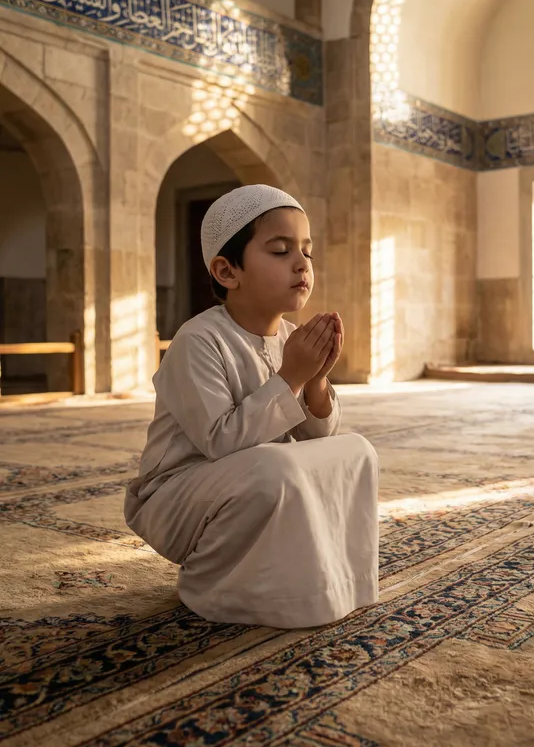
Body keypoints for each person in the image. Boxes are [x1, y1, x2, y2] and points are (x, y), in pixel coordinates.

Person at [124, 184, 379, 629]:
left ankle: (329, 585)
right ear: (227, 271)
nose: (302, 264)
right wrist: (292, 377)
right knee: (273, 468)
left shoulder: (288, 337)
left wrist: (316, 378)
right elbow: (221, 442)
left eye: (308, 251)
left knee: (357, 452)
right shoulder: (197, 340)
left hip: (251, 483)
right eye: (281, 251)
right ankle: (212, 582)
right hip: (177, 495)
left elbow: (315, 440)